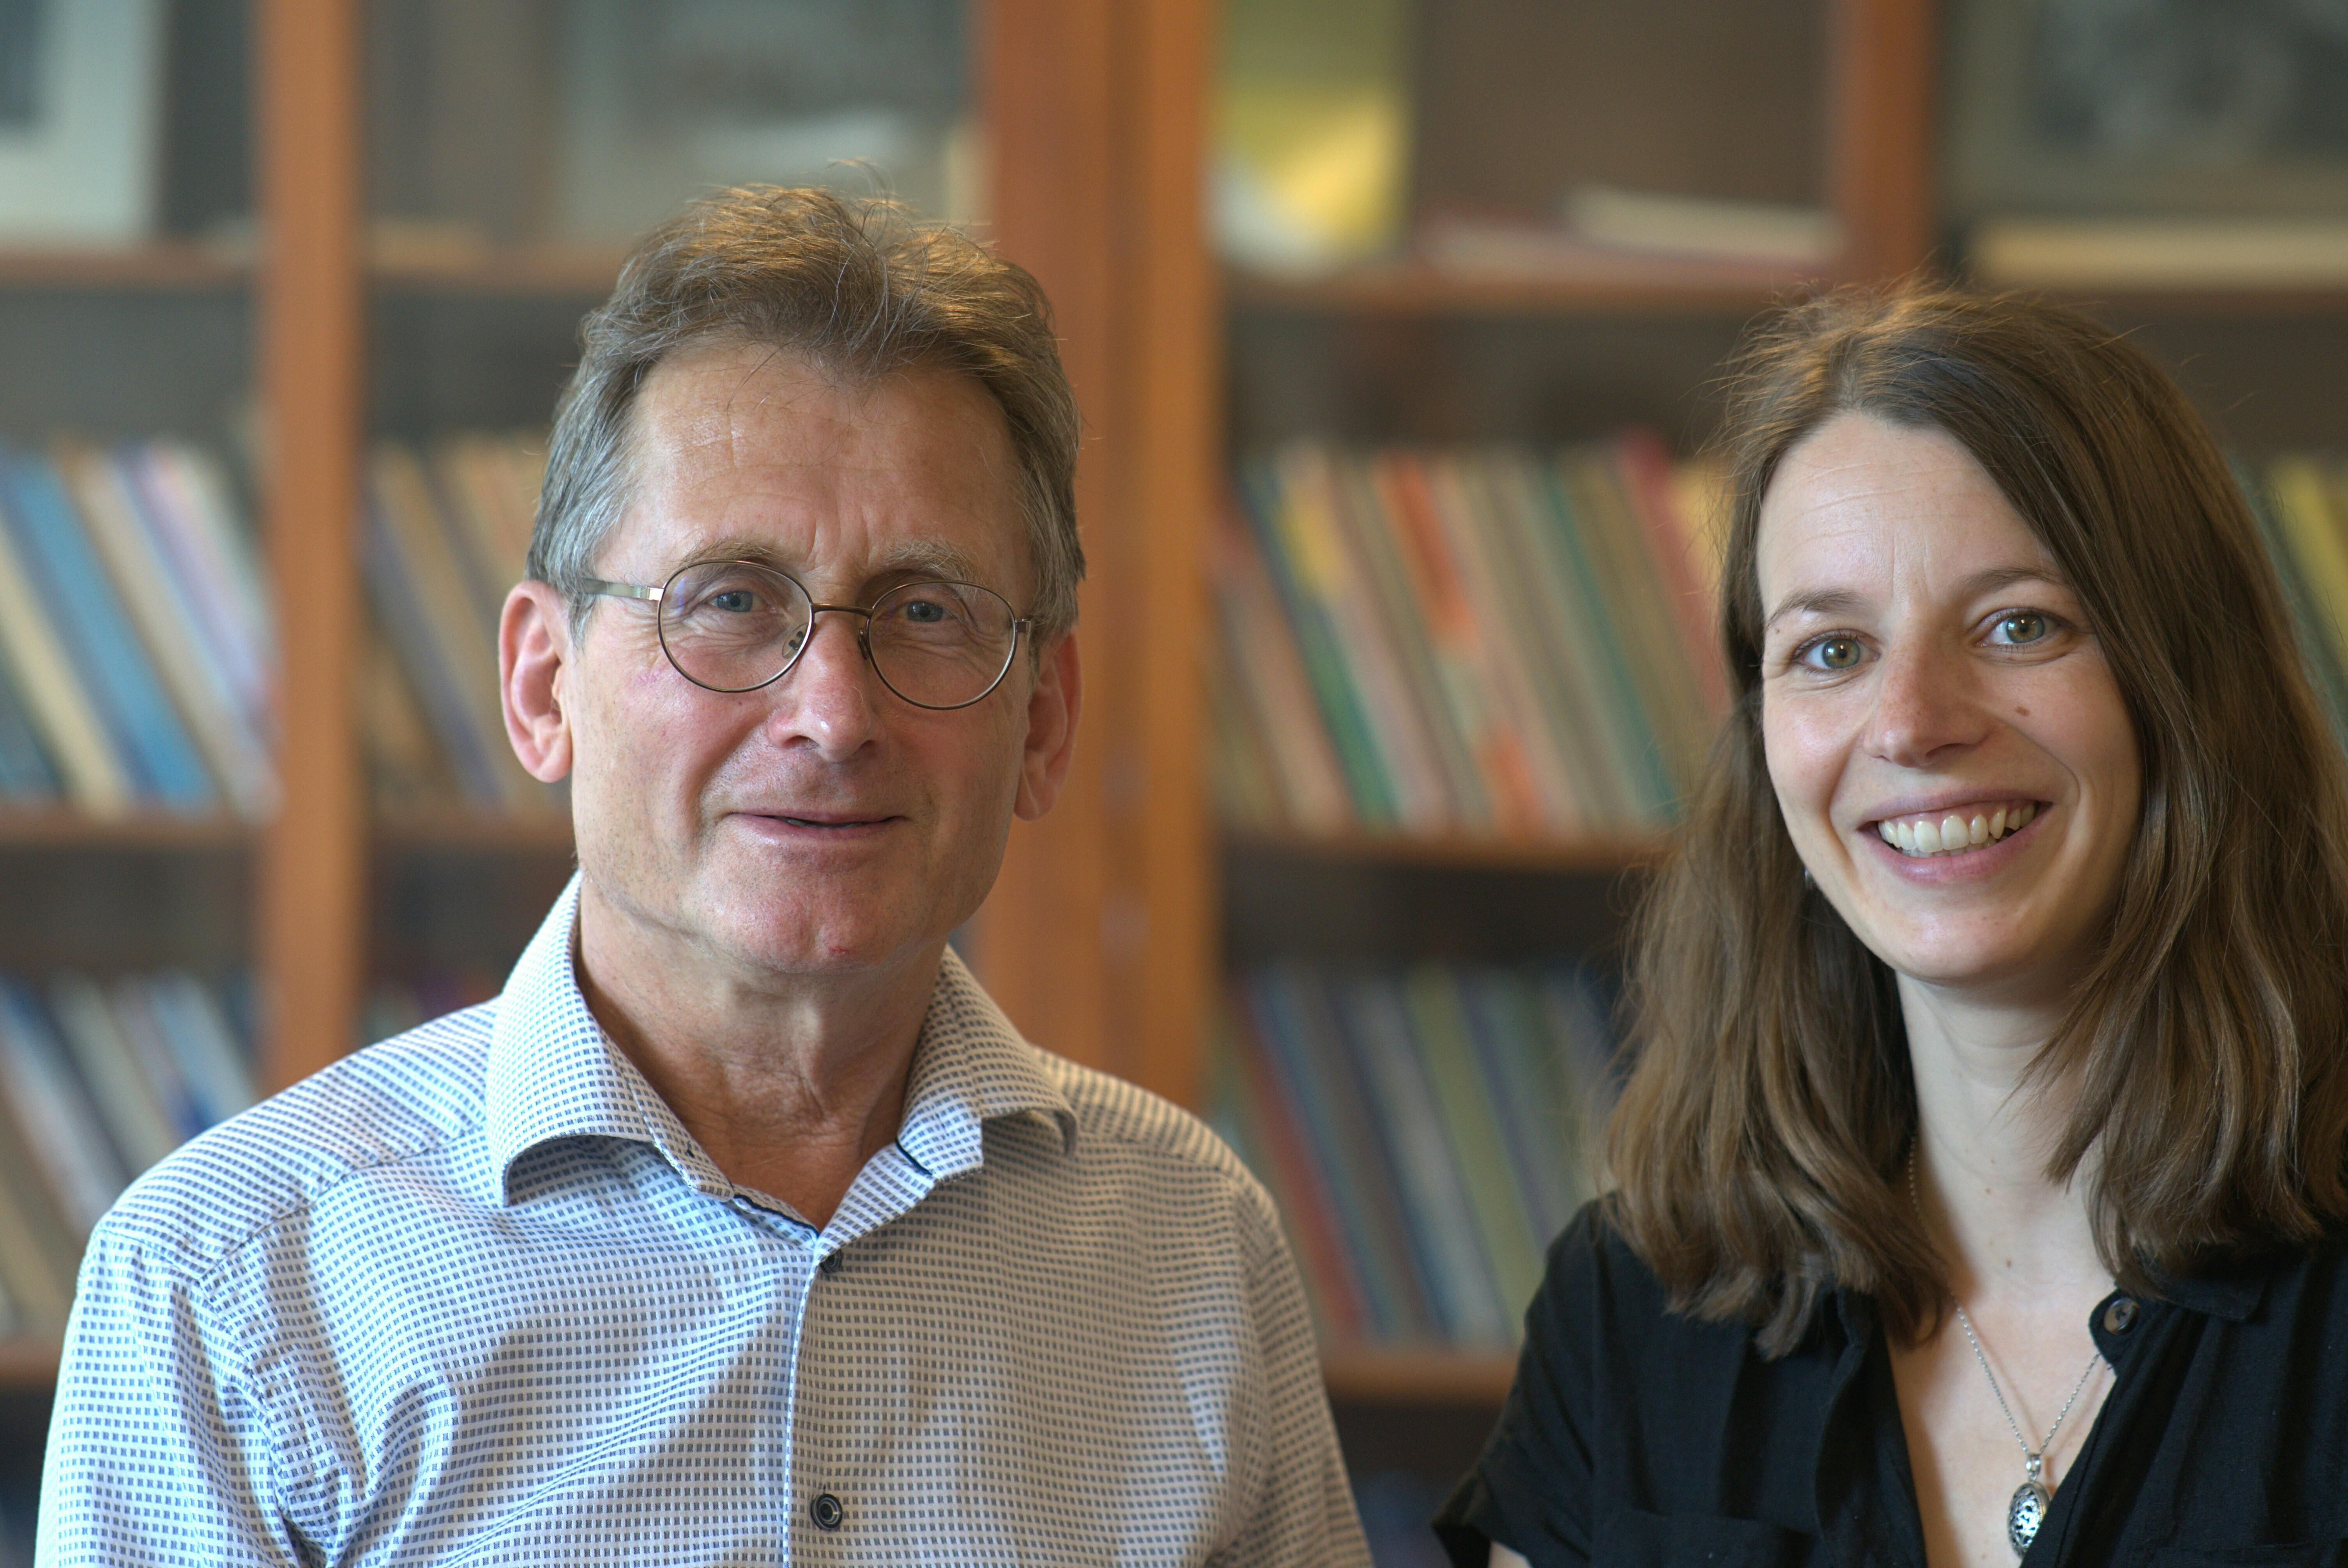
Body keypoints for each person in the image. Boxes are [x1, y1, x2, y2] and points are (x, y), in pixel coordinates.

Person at [40, 188, 1368, 1566]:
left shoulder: (1194, 1251)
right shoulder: (231, 1285)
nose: (835, 714)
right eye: (730, 602)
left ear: (1042, 720)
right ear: (545, 684)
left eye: (926, 610)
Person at [1436, 283, 2348, 1566]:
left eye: (2018, 624)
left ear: (2185, 685)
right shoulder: (1635, 1311)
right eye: (1831, 650)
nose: (1914, 721)